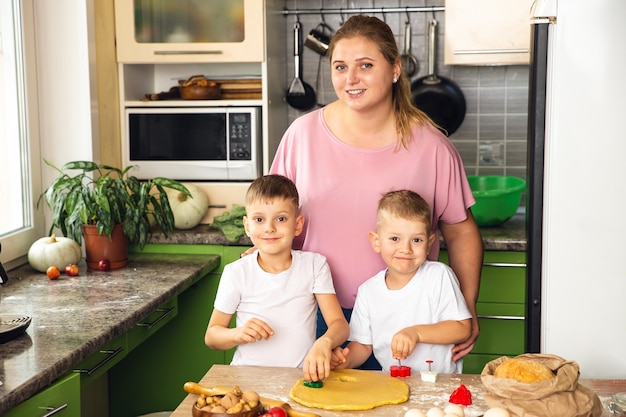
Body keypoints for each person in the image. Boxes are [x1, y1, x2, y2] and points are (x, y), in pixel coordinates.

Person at [269, 14, 483, 366]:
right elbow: (278, 215)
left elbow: (460, 231)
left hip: (407, 318)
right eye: (340, 67)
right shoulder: (301, 136)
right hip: (313, 311)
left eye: (365, 65)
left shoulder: (431, 146)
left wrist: (467, 306)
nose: (350, 79)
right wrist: (263, 253)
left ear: (395, 69)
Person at [204, 174, 349, 382]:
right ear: (247, 226)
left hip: (300, 380)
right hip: (247, 380)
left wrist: (324, 342)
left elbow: (340, 325)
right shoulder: (236, 272)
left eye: (281, 219)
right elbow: (212, 337)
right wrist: (238, 333)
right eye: (259, 219)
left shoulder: (314, 265)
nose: (269, 228)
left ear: (297, 225)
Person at [330, 190, 472, 373]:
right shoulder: (368, 291)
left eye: (416, 240)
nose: (405, 249)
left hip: (440, 389)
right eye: (395, 239)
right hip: (393, 387)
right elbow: (364, 346)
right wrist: (345, 360)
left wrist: (416, 333)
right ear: (376, 241)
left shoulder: (439, 276)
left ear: (429, 243)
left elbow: (462, 328)